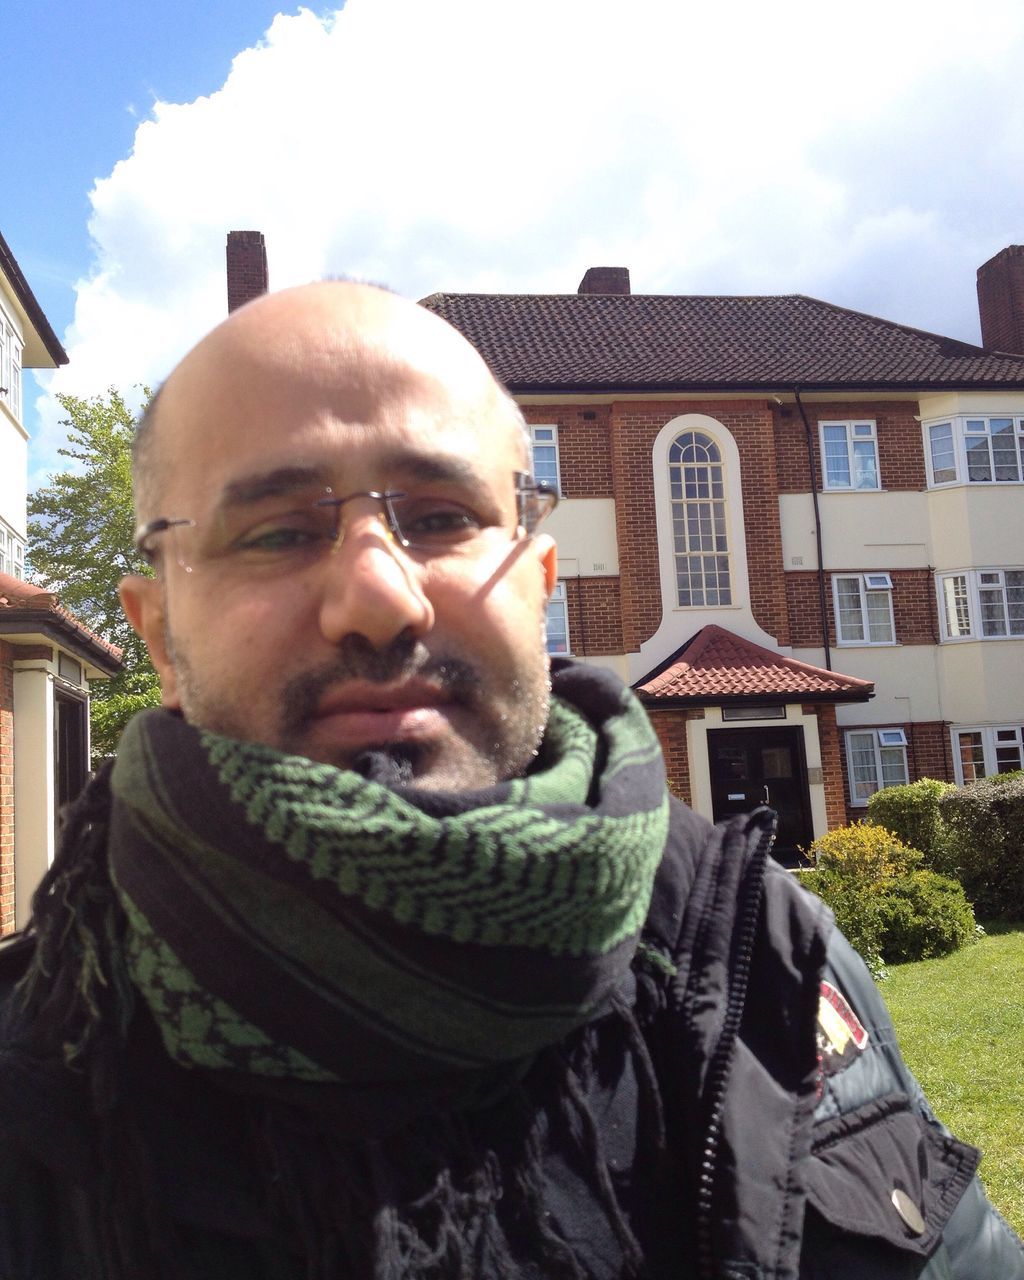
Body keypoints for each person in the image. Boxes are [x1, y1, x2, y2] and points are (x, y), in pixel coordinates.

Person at [0, 282, 1020, 1280]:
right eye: (278, 529)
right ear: (158, 635)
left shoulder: (769, 955)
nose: (378, 596)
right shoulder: (32, 1063)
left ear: (537, 586)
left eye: (441, 515)